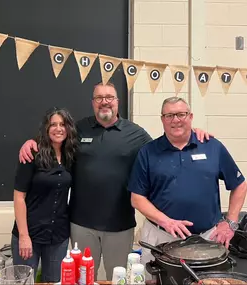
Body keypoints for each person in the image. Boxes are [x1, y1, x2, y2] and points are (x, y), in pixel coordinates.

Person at [19, 82, 210, 280]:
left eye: (109, 97)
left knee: (118, 279)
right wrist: (32, 142)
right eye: (99, 98)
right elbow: (54, 138)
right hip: (81, 225)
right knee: (83, 279)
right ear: (93, 103)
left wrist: (190, 132)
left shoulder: (136, 133)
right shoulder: (79, 130)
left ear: (117, 102)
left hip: (120, 226)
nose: (104, 102)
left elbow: (165, 145)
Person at [128, 96, 247, 270]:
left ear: (190, 117)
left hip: (207, 239)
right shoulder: (148, 152)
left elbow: (240, 185)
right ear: (162, 119)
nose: (175, 120)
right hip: (161, 237)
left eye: (181, 114)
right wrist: (167, 222)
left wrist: (230, 223)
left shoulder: (212, 146)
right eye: (169, 116)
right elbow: (137, 198)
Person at [12, 107, 78, 282]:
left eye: (62, 124)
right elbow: (19, 197)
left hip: (58, 236)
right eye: (53, 124)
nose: (58, 128)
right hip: (30, 234)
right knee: (25, 281)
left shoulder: (70, 155)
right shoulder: (32, 153)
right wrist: (24, 236)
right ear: (46, 129)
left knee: (54, 281)